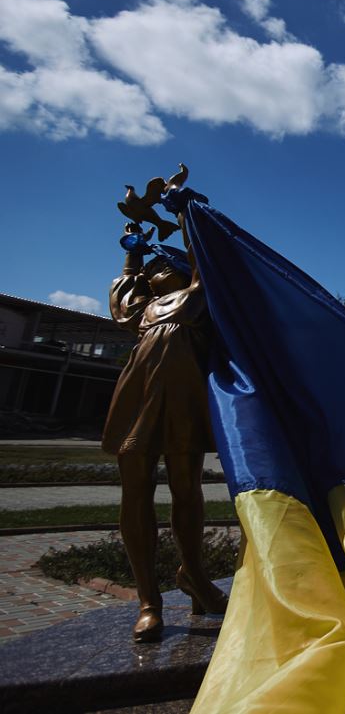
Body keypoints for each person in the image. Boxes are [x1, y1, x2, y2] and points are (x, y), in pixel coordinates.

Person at [105, 210, 227, 642]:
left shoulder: (195, 300)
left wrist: (184, 212)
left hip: (183, 401)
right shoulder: (144, 311)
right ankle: (148, 602)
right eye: (150, 269)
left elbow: (204, 265)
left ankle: (193, 576)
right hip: (138, 396)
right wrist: (131, 254)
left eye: (163, 264)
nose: (155, 270)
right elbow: (122, 300)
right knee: (136, 488)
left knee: (186, 488)